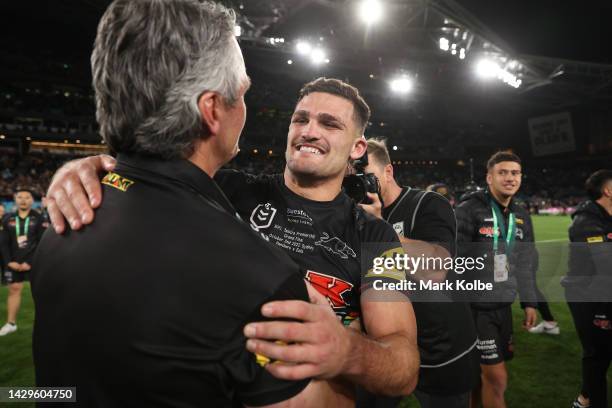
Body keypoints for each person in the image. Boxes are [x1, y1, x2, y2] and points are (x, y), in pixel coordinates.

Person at [44, 77, 420, 404]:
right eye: (300, 119)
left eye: (330, 124)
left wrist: (345, 351)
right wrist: (90, 167)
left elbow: (403, 363)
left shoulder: (378, 237)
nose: (309, 131)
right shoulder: (224, 189)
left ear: (357, 148)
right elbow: (141, 180)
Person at [31, 1, 320, 406]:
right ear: (212, 110)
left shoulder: (62, 221)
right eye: (240, 94)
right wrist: (344, 349)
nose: (246, 108)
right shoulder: (260, 277)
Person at [356, 138, 479, 408]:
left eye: (364, 175)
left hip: (441, 348)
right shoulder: (351, 216)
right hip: (386, 342)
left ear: (388, 171)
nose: (358, 183)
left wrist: (377, 227)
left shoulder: (427, 203)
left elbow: (436, 270)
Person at [455, 151, 538, 408]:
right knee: (497, 378)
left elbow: (526, 263)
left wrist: (529, 302)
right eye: (503, 172)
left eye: (515, 173)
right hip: (474, 310)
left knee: (480, 381)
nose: (510, 178)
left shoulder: (522, 215)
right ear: (489, 178)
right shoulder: (468, 210)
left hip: (503, 308)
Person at [562, 169, 612, 408]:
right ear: (608, 190)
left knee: (604, 351)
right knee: (597, 352)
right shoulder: (585, 223)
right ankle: (589, 402)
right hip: (585, 295)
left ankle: (585, 397)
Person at [0, 188, 44, 336]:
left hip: (34, 263)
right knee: (14, 290)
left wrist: (32, 262)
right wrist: (9, 262)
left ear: (32, 200)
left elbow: (42, 242)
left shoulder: (39, 218)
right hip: (14, 262)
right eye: (20, 197)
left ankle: (46, 324)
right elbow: (4, 243)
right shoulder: (7, 219)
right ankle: (11, 323)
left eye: (27, 197)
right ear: (15, 199)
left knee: (40, 292)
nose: (23, 200)